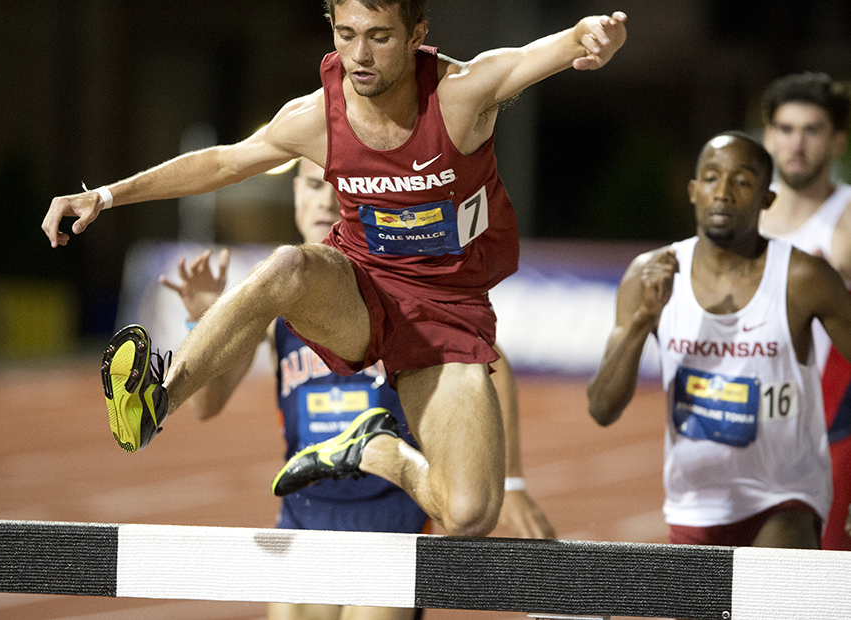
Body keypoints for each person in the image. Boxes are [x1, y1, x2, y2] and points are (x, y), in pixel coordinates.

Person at [43, 0, 628, 536]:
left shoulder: (461, 94)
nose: (360, 56)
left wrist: (598, 34)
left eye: (379, 37)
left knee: (471, 512)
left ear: (417, 34)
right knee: (286, 268)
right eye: (346, 35)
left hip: (448, 314)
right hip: (360, 288)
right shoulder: (317, 118)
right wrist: (108, 196)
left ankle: (382, 452)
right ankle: (156, 401)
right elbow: (223, 163)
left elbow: (554, 47)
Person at [158, 158, 554, 620]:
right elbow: (207, 404)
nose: (325, 198)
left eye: (335, 186)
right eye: (312, 185)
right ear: (295, 196)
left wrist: (512, 481)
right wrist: (202, 317)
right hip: (306, 508)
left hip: (390, 514)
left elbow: (488, 362)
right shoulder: (272, 300)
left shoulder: (389, 287)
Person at [587, 131, 851, 548]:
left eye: (742, 181)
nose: (723, 193)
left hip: (784, 499)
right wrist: (643, 320)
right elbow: (602, 408)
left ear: (768, 199)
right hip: (694, 507)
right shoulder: (648, 275)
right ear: (693, 191)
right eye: (711, 178)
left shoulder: (803, 279)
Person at [757, 72, 851, 551]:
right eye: (786, 128)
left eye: (812, 130)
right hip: (748, 426)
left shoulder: (846, 223)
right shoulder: (743, 218)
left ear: (837, 141)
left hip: (830, 428)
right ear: (768, 136)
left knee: (828, 577)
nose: (797, 143)